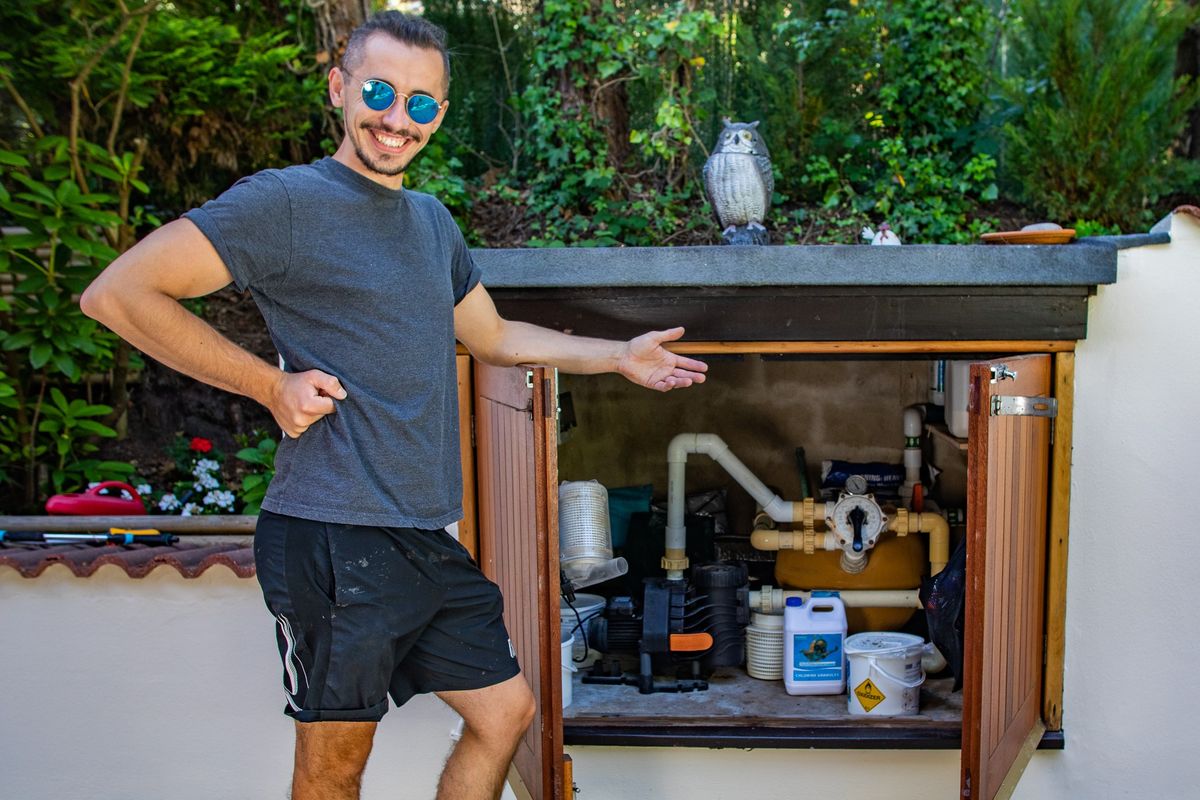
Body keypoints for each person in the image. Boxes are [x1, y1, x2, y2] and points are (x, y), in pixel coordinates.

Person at [80, 11, 706, 800]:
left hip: (419, 535)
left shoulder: (429, 223)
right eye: (379, 91)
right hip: (334, 534)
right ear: (340, 87)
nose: (395, 118)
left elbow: (495, 337)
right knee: (335, 769)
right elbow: (119, 293)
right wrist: (267, 385)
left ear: (439, 115)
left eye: (420, 104)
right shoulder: (286, 203)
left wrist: (617, 357)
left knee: (505, 714)